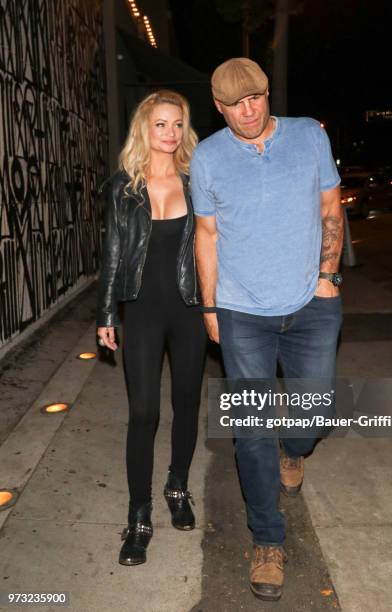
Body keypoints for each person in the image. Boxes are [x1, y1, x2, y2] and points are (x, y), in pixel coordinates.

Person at [191, 58, 343, 601]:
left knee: (310, 417)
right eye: (235, 104)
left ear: (266, 93)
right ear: (219, 107)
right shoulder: (207, 158)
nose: (247, 111)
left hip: (311, 303)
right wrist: (210, 309)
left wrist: (327, 273)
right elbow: (206, 237)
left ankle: (295, 449)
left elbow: (330, 205)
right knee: (251, 430)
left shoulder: (307, 136)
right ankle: (267, 540)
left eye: (254, 98)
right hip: (242, 313)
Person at [96, 90, 207, 566]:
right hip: (140, 310)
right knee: (144, 413)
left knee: (186, 402)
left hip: (190, 307)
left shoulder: (198, 178)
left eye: (177, 124)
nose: (170, 133)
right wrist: (105, 314)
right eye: (161, 124)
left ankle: (177, 484)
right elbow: (114, 253)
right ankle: (138, 513)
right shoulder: (123, 187)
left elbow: (217, 242)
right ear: (144, 127)